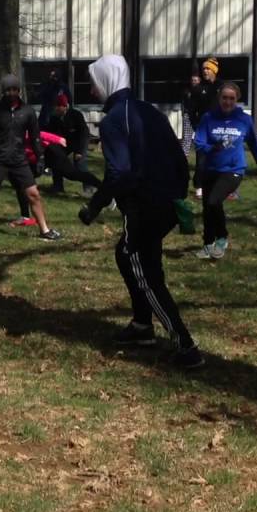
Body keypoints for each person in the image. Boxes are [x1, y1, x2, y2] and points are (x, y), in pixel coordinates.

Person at [77, 54, 203, 370]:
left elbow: (119, 173)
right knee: (129, 255)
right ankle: (142, 325)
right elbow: (178, 156)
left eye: (94, 84)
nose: (92, 92)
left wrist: (94, 206)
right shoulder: (149, 111)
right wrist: (177, 195)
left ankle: (185, 345)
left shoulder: (113, 120)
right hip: (167, 203)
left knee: (143, 269)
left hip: (145, 206)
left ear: (106, 81)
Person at [0, 75, 62, 241]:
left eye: (14, 90)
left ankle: (45, 230)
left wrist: (40, 158)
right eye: (8, 90)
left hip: (18, 158)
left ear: (19, 90)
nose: (11, 93)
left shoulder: (27, 111)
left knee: (33, 194)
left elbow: (35, 136)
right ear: (3, 92)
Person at [193, 82, 257, 260]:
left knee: (213, 201)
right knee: (207, 209)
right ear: (219, 98)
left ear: (237, 100)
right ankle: (208, 245)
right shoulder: (208, 118)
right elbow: (199, 143)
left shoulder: (244, 120)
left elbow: (254, 144)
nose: (228, 102)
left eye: (231, 98)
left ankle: (222, 237)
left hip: (234, 169)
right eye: (224, 98)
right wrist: (212, 148)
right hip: (211, 169)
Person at [42, 92, 94, 195]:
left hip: (79, 141)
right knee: (55, 158)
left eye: (58, 106)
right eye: (55, 106)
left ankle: (89, 188)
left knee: (80, 163)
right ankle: (58, 186)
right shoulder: (54, 118)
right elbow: (51, 133)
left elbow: (84, 133)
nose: (56, 109)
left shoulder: (76, 115)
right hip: (65, 143)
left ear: (65, 106)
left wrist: (79, 151)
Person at [187, 59, 220, 197]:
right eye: (204, 69)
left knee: (220, 158)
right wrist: (195, 125)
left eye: (208, 69)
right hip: (203, 131)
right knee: (201, 160)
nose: (205, 71)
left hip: (219, 130)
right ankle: (199, 186)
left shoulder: (221, 87)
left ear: (214, 71)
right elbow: (191, 110)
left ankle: (219, 185)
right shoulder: (198, 89)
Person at [180, 73, 203, 158]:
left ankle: (200, 154)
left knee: (200, 136)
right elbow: (182, 103)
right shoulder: (187, 91)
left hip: (199, 116)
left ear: (199, 81)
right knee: (187, 136)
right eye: (192, 80)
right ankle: (184, 156)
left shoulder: (203, 90)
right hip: (188, 115)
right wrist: (184, 113)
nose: (194, 82)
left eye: (196, 80)